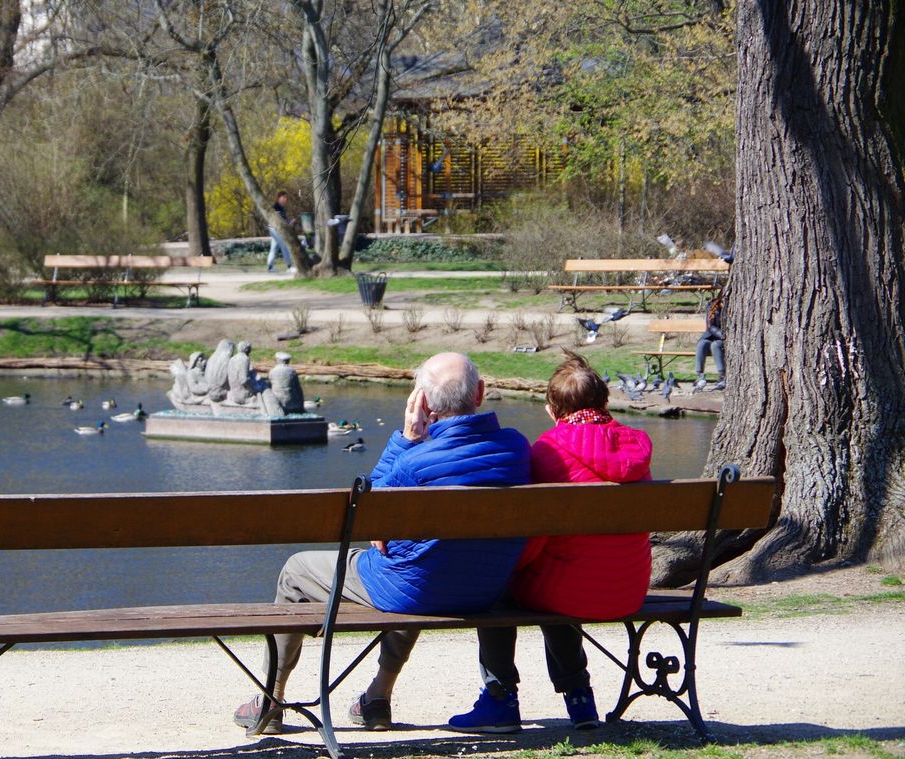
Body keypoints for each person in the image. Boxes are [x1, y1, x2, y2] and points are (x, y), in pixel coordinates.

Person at [233, 352, 531, 734]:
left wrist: (406, 439)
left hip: (417, 590)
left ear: (421, 401)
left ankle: (271, 698)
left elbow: (368, 515)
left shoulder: (415, 462)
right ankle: (377, 695)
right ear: (481, 393)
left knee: (297, 569)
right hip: (484, 591)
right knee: (420, 560)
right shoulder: (517, 449)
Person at [448, 351, 653, 734]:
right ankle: (579, 698)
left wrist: (507, 566)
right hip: (629, 589)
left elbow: (534, 538)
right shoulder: (636, 447)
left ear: (551, 409)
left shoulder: (548, 450)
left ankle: (500, 699)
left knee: (502, 584)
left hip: (573, 592)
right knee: (566, 574)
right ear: (604, 402)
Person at [695, 294, 726, 390]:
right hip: (713, 335)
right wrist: (721, 335)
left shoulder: (731, 306)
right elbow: (710, 326)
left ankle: (722, 376)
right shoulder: (712, 305)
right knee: (701, 344)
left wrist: (724, 337)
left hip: (724, 338)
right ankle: (700, 376)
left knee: (715, 345)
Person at [265, 190, 296, 274]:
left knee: (274, 248)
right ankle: (289, 266)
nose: (285, 199)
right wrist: (288, 223)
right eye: (284, 197)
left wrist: (290, 222)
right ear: (279, 198)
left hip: (275, 229)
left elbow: (283, 221)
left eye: (286, 197)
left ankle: (270, 267)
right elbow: (278, 220)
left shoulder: (281, 208)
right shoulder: (276, 207)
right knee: (284, 246)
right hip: (275, 229)